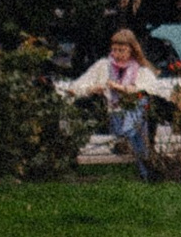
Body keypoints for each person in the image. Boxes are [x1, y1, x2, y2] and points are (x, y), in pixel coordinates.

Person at [61, 25, 171, 176]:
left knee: (142, 104)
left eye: (122, 50)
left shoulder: (141, 70)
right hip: (108, 118)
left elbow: (149, 90)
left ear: (131, 50)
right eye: (114, 50)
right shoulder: (102, 66)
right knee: (133, 119)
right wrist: (91, 89)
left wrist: (123, 89)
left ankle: (129, 141)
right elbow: (78, 86)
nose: (117, 54)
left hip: (133, 116)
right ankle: (144, 164)